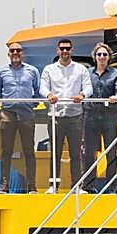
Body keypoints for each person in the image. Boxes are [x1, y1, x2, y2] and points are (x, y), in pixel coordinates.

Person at [39, 38, 93, 191]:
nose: (64, 51)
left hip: (75, 116)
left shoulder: (81, 69)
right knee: (54, 153)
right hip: (55, 116)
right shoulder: (49, 69)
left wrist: (82, 95)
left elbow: (88, 88)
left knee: (76, 153)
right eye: (62, 48)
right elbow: (42, 87)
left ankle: (76, 186)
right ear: (57, 50)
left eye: (67, 48)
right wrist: (49, 95)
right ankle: (53, 185)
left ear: (72, 50)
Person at [0, 42, 40, 193]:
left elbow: (37, 92)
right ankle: (4, 185)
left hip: (26, 114)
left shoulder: (32, 71)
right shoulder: (1, 72)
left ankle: (31, 186)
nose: (15, 53)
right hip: (8, 114)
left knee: (29, 151)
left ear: (22, 53)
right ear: (8, 53)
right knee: (6, 151)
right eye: (12, 50)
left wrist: (29, 105)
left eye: (18, 50)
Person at [83, 42, 117, 193]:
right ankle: (88, 185)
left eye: (105, 54)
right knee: (89, 152)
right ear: (94, 57)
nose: (102, 57)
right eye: (99, 54)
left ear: (109, 57)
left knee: (111, 152)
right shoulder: (87, 73)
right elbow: (82, 88)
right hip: (90, 115)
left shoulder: (116, 74)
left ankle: (111, 187)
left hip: (109, 115)